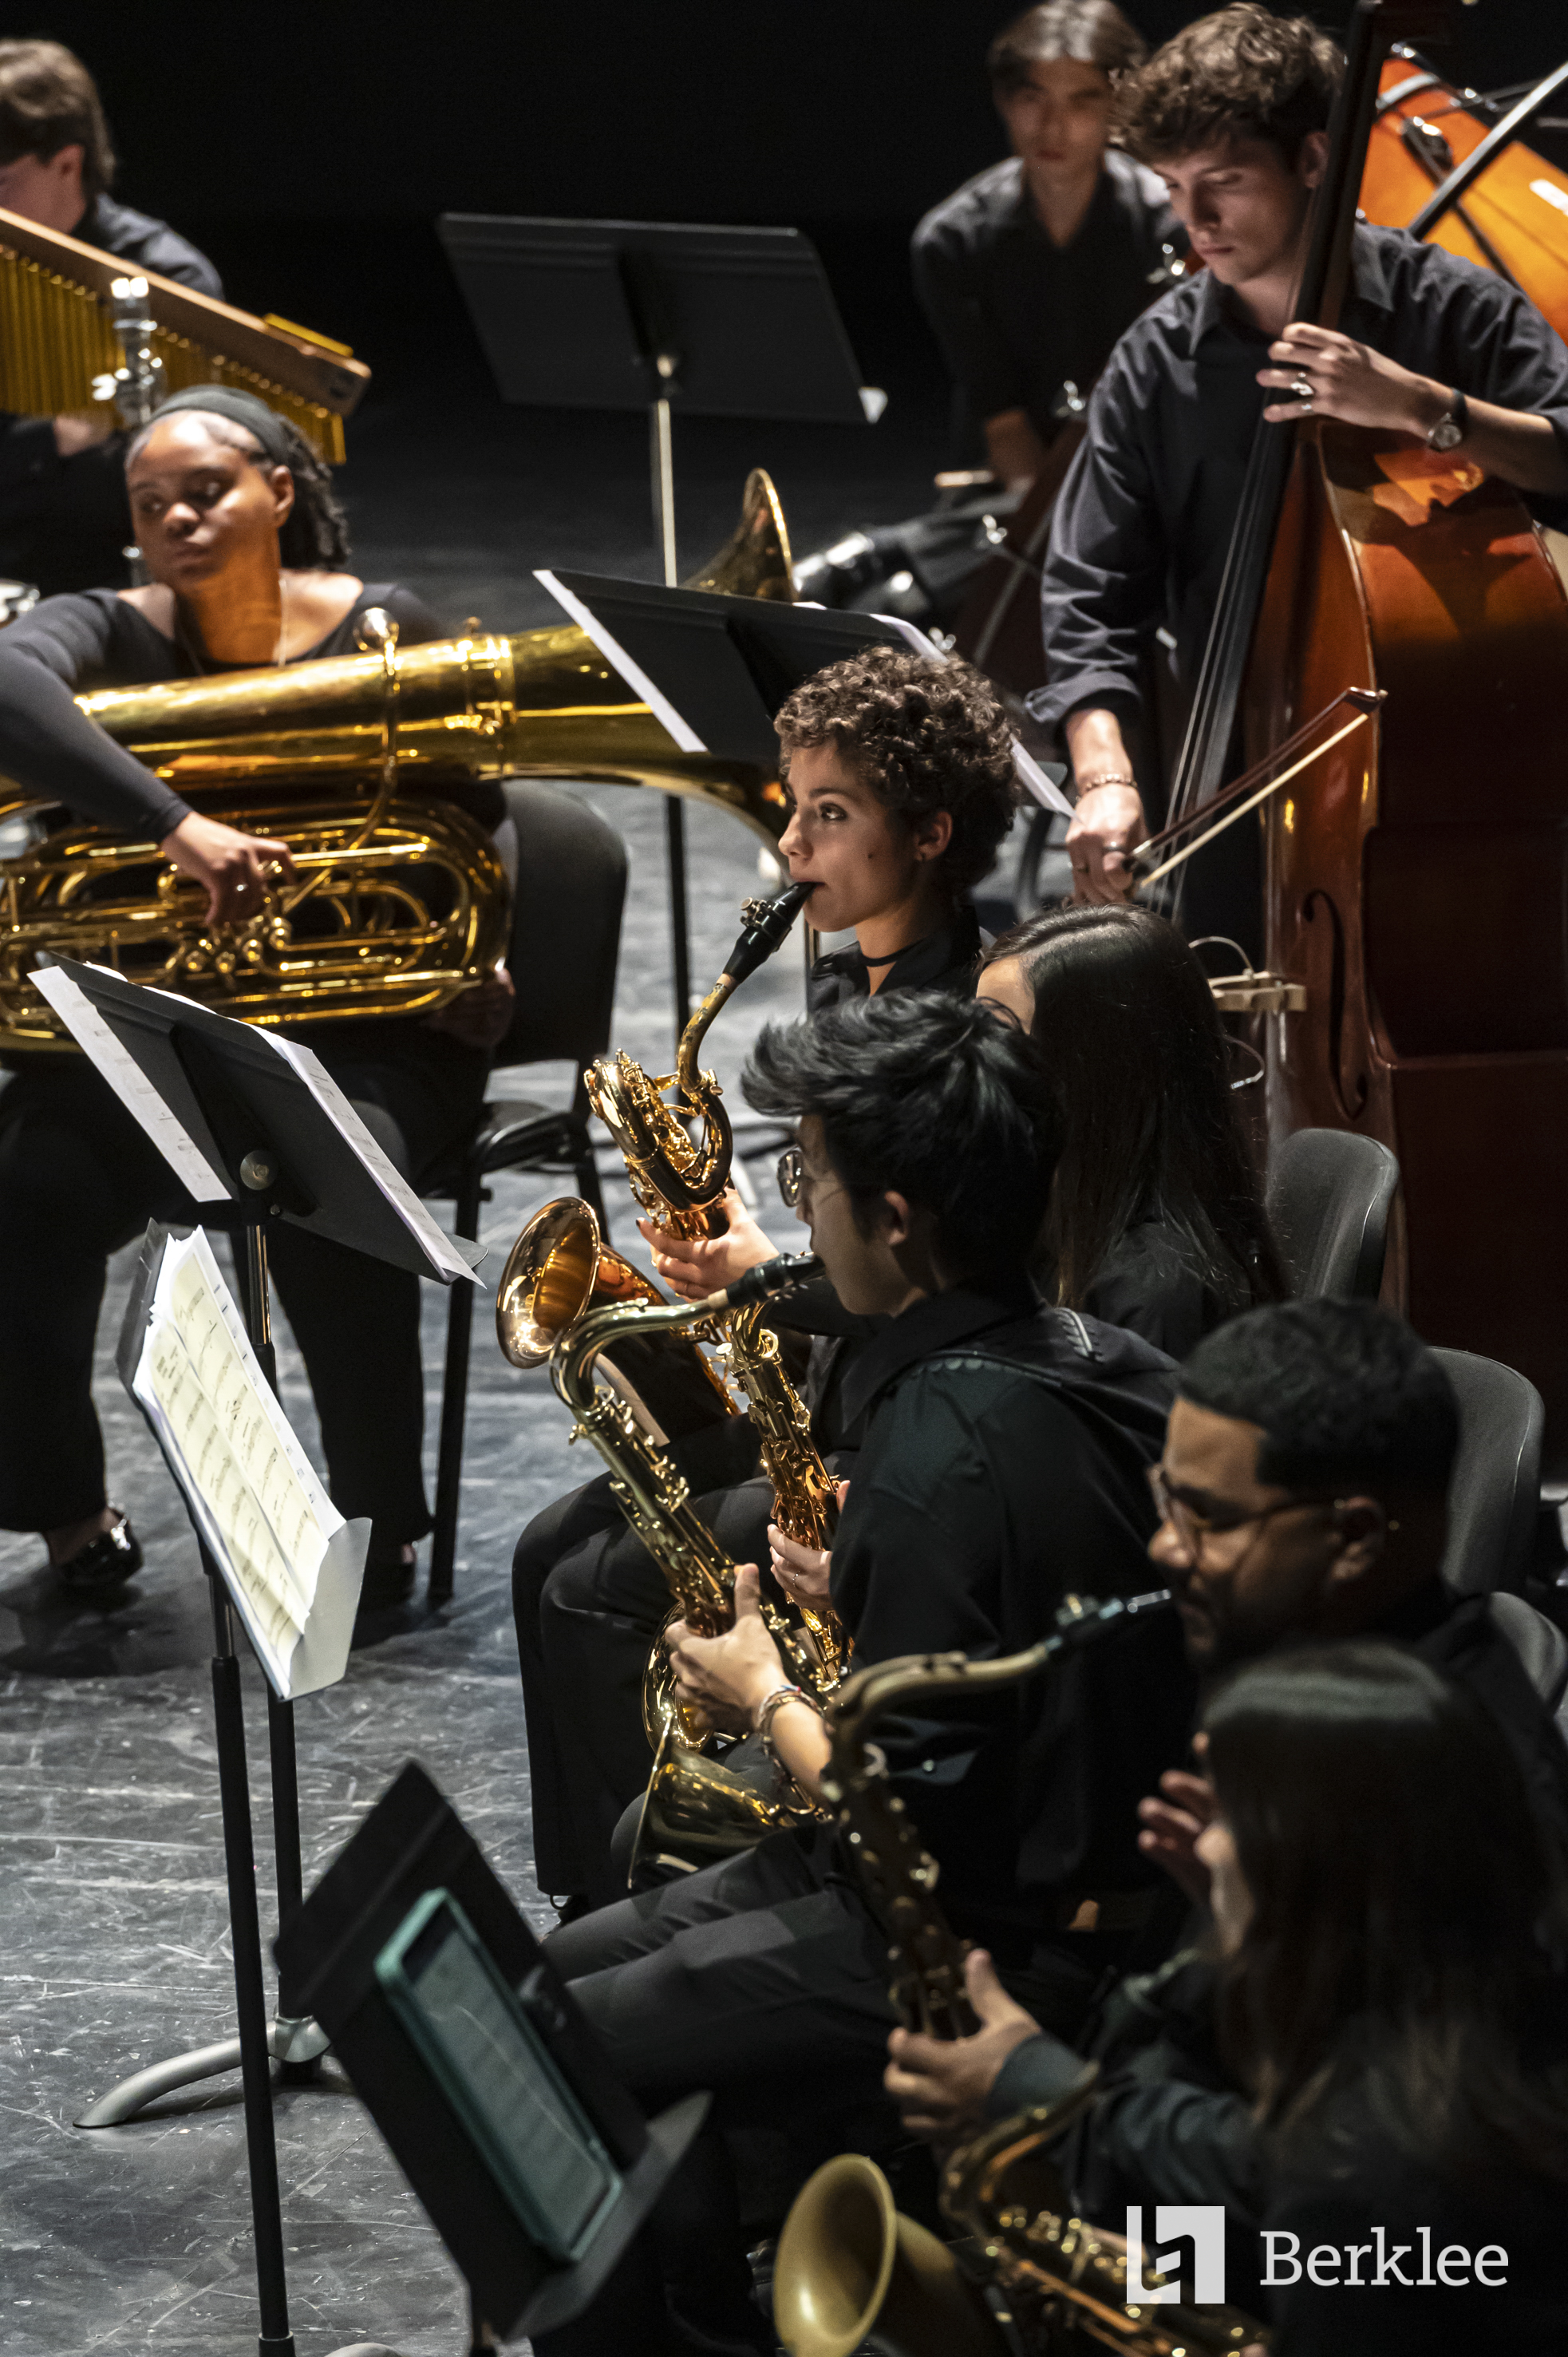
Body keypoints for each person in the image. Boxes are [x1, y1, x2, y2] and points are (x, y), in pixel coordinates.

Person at [531, 985, 1191, 2354]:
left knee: (546, 2055)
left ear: (895, 1220)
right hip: (1019, 1856)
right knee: (558, 1973)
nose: (799, 1207)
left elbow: (914, 1845)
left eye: (808, 1175)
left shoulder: (937, 1457)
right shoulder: (1100, 1355)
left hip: (995, 1934)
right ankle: (706, 2297)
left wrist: (761, 1687)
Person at [510, 647, 1017, 1906]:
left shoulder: (957, 1028)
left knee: (583, 1587)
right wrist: (746, 1240)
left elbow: (931, 1279)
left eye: (829, 815)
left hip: (890, 1425)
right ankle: (620, 1876)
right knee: (539, 1548)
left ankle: (631, 1893)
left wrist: (753, 1275)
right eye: (791, 807)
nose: (790, 844)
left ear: (932, 833)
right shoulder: (854, 974)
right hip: (838, 1377)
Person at [0, 385, 513, 1603]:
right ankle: (68, 1512)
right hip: (155, 1038)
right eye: (147, 503)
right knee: (20, 1184)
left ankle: (376, 1522)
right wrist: (172, 825)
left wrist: (489, 960)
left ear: (281, 491)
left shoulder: (389, 629)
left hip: (366, 1033)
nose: (174, 518)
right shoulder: (104, 626)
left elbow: (482, 819)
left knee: (330, 1178)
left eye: (206, 491)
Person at [885, 1298, 1568, 2158]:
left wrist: (1052, 2107)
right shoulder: (1289, 1650)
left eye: (1208, 1517)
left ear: (1353, 1534)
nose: (1167, 1546)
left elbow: (1358, 2178)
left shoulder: (1448, 1808)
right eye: (1167, 1500)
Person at [1034, 5, 1568, 932]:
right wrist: (1105, 779)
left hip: (1446, 788)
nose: (1194, 220)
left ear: (1314, 163)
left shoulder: (1451, 312)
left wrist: (1423, 409)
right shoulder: (1158, 360)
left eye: (1226, 183)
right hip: (1227, 786)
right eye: (1172, 185)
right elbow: (1089, 599)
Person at [897, 1645, 1568, 2352]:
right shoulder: (1481, 2007)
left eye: (1231, 1816)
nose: (1208, 1845)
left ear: (1309, 1861)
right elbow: (1231, 2164)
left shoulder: (1360, 2175)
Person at [977, 903, 1286, 1354]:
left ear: (1095, 1067)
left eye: (996, 1034)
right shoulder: (1043, 1215)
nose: (966, 1061)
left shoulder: (1153, 1297)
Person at [913, 0, 1175, 489]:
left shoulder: (1169, 227)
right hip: (1011, 488)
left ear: (1119, 110)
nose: (1053, 128)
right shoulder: (950, 242)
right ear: (1004, 100)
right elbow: (1005, 425)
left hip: (1141, 477)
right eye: (1034, 99)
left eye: (1083, 101)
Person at [0, 41, 224, 595]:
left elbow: (177, 480)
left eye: (1, 185)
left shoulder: (168, 282)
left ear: (68, 164)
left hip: (105, 582)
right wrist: (50, 439)